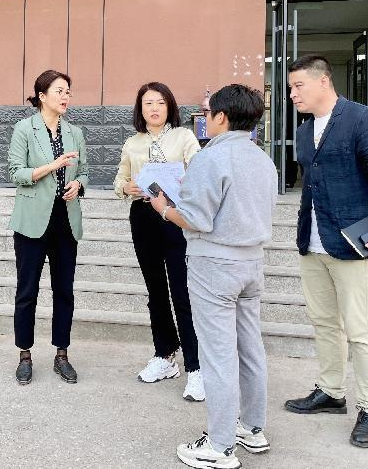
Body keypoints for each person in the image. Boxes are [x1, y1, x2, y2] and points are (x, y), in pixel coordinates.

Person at [151, 84, 277, 469]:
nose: (205, 119)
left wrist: (163, 208)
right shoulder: (263, 159)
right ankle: (252, 428)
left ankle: (220, 446)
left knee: (218, 355)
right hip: (251, 262)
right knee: (250, 349)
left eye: (207, 113)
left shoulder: (211, 157)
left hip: (215, 266)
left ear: (221, 117)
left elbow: (195, 219)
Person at [283, 55, 368, 449]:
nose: (292, 93)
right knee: (323, 323)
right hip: (313, 243)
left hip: (354, 243)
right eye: (291, 87)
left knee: (362, 329)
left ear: (323, 81)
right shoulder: (304, 131)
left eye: (298, 85)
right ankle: (331, 392)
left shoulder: (362, 119)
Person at [113, 82, 204, 401]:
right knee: (155, 291)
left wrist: (183, 181)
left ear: (170, 106)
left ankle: (196, 367)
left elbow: (199, 170)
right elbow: (120, 179)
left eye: (161, 102)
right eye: (148, 103)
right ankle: (164, 355)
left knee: (182, 291)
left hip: (176, 216)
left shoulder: (184, 136)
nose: (154, 108)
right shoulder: (132, 142)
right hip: (143, 217)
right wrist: (126, 188)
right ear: (140, 108)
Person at [8, 70, 89, 385]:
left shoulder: (74, 132)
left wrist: (78, 186)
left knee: (64, 291)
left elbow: (84, 171)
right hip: (32, 221)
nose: (65, 96)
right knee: (27, 290)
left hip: (65, 220)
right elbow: (16, 172)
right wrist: (52, 167)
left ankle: (62, 354)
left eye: (68, 91)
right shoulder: (24, 129)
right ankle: (25, 355)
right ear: (42, 96)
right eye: (59, 91)